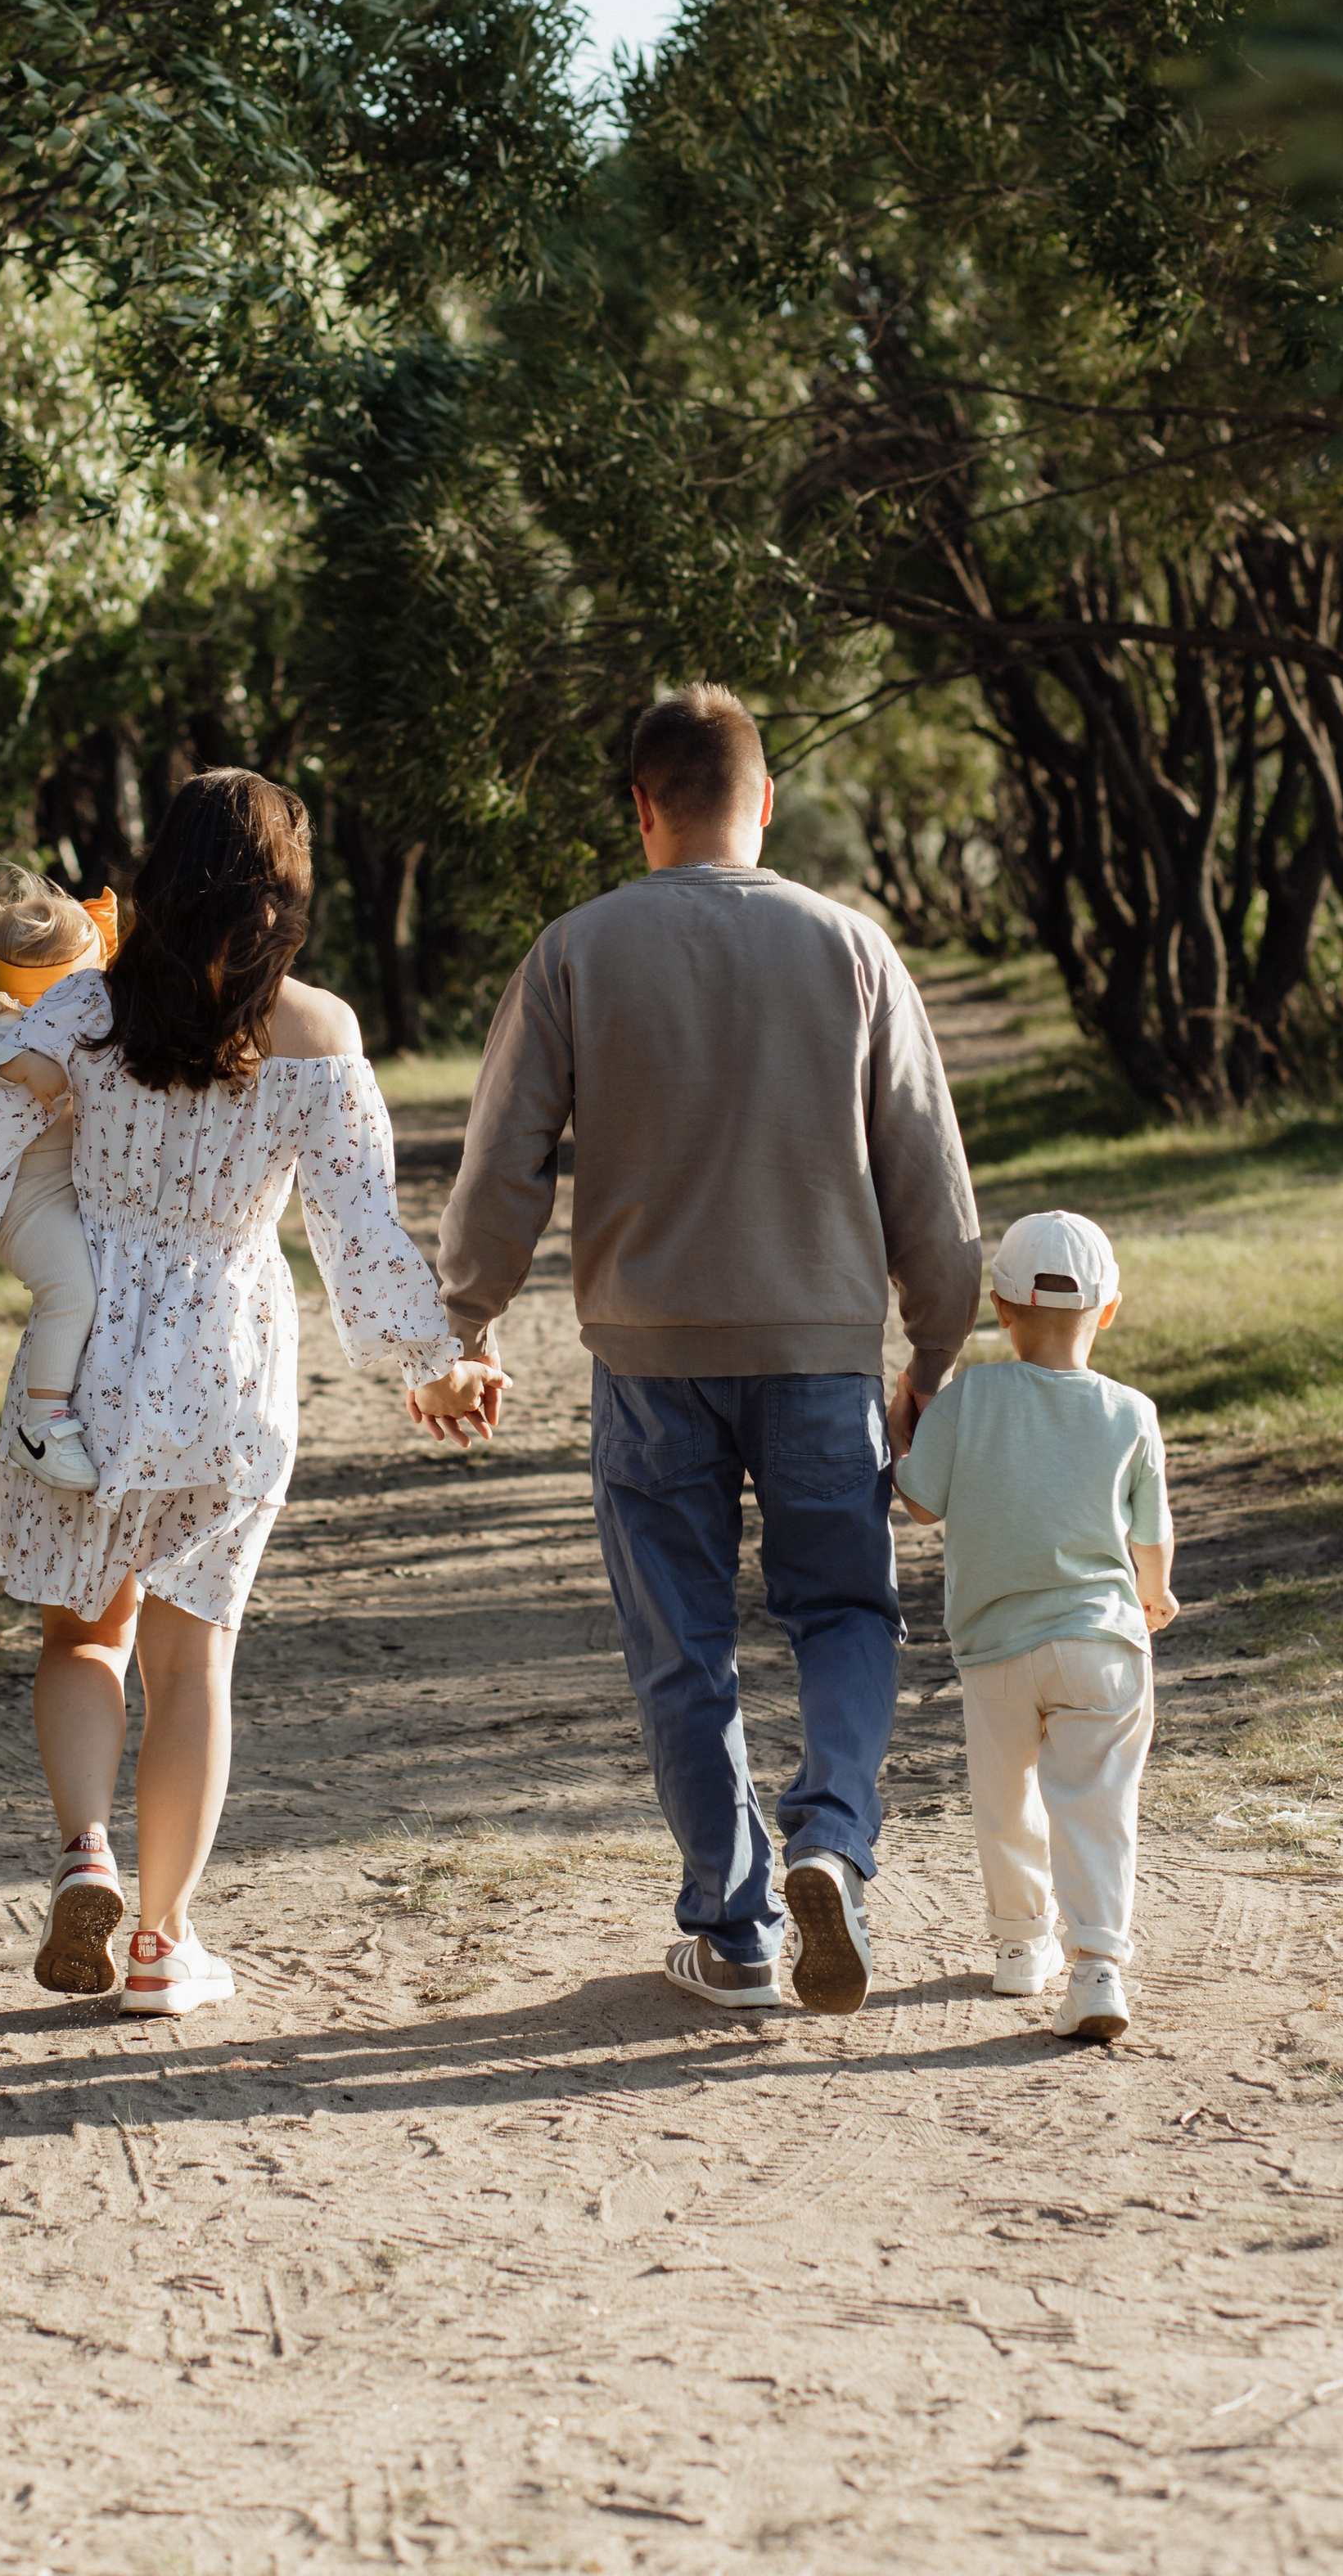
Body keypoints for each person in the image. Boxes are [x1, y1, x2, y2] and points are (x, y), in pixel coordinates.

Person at [431, 682, 982, 2017]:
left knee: (682, 1639)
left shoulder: (574, 951)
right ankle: (833, 1845)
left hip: (650, 1358)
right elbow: (930, 1178)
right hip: (820, 1351)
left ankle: (732, 1932)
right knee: (846, 1611)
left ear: (640, 809)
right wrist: (933, 1357)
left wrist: (469, 1318)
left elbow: (504, 1163)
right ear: (767, 801)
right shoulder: (850, 945)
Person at [0, 771, 502, 2016]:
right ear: (285, 892)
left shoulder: (83, 1010)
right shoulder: (315, 1031)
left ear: (160, 872)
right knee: (191, 1657)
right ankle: (163, 1945)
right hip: (226, 1358)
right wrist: (437, 1366)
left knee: (82, 1634)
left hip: (88, 1347)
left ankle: (83, 1858)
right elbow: (360, 1238)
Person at [893, 1209, 1178, 2044]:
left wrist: (906, 1429)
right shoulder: (1130, 1412)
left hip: (995, 1650)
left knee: (1004, 1798)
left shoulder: (971, 1397)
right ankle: (1095, 1967)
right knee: (1096, 1803)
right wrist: (1154, 1594)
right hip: (1102, 1643)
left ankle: (1021, 1949)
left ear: (1000, 1309)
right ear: (1111, 1311)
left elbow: (919, 1504)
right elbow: (1149, 1534)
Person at [0, 870, 122, 1488]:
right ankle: (44, 1423)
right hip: (26, 1205)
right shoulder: (0, 1027)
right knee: (72, 1293)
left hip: (76, 1194)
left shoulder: (92, 1017)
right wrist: (20, 1063)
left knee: (105, 1295)